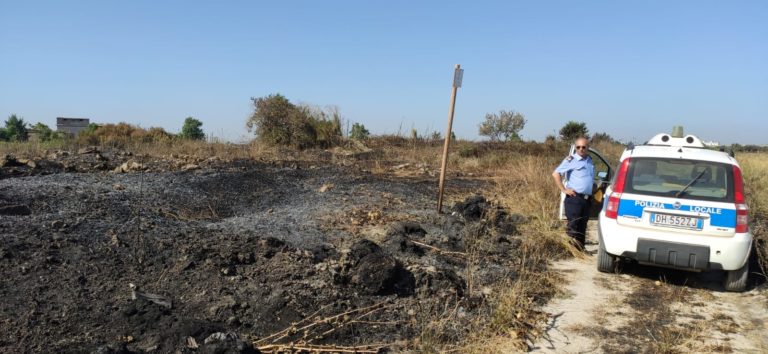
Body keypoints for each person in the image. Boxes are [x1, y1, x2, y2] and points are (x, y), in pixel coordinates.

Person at [552, 137, 595, 250]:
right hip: (574, 199)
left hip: (586, 200)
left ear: (588, 148)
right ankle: (570, 251)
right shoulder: (571, 160)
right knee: (573, 226)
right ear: (575, 148)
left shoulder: (590, 160)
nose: (581, 149)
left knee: (582, 226)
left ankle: (580, 250)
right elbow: (556, 174)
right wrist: (564, 190)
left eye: (583, 147)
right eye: (578, 147)